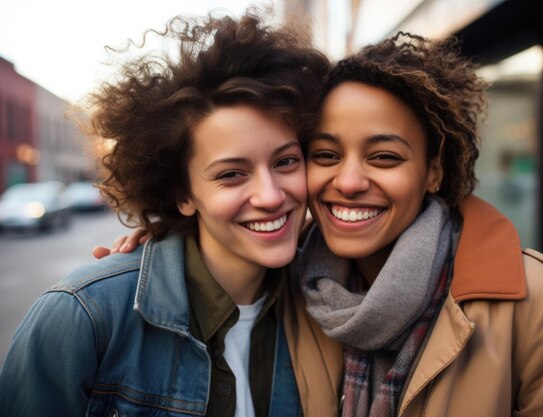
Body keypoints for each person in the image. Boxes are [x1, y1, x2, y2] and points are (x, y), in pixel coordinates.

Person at [94, 32, 543, 416]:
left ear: (434, 170)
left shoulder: (542, 306)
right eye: (324, 155)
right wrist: (169, 237)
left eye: (385, 158)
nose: (348, 182)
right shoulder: (291, 283)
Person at [0, 11, 341, 417]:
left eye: (285, 162)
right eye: (231, 174)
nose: (270, 196)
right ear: (183, 195)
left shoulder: (328, 301)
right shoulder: (84, 316)